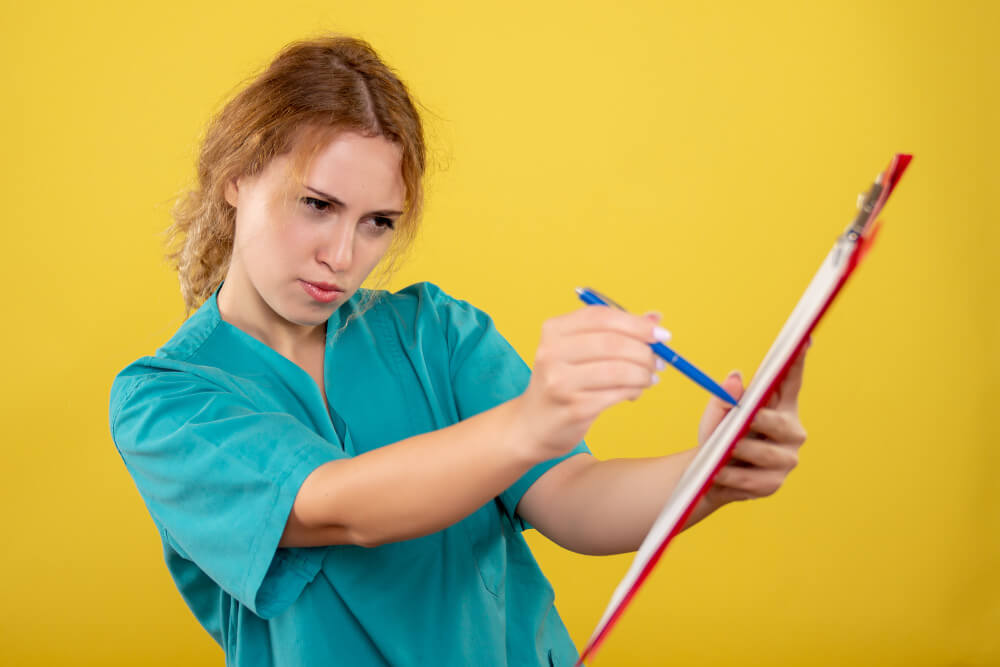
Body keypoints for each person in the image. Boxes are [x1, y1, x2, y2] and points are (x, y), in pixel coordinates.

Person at [108, 33, 810, 667]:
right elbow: (336, 506)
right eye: (316, 204)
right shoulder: (166, 400)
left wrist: (707, 475)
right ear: (236, 176)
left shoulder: (435, 331)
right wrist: (531, 421)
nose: (343, 256)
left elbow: (571, 497)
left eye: (378, 222)